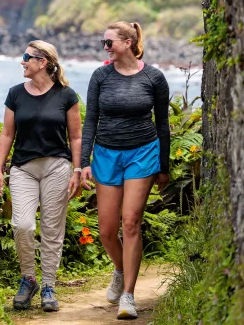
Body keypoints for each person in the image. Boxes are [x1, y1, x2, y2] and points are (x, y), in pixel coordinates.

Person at [80, 22, 170, 319]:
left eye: (109, 42)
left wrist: (163, 166)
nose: (105, 48)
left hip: (143, 153)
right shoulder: (100, 76)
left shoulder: (154, 77)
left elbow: (162, 125)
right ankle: (119, 270)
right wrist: (82, 163)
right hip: (106, 154)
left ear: (129, 42)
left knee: (130, 222)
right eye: (103, 43)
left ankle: (129, 296)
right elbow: (90, 120)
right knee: (106, 229)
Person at [0, 40, 82, 312]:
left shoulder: (67, 95)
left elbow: (76, 137)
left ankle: (49, 286)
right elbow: (7, 134)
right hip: (23, 169)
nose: (22, 61)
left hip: (57, 167)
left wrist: (77, 170)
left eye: (27, 57)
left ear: (43, 62)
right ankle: (28, 278)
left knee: (52, 231)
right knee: (23, 226)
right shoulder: (15, 94)